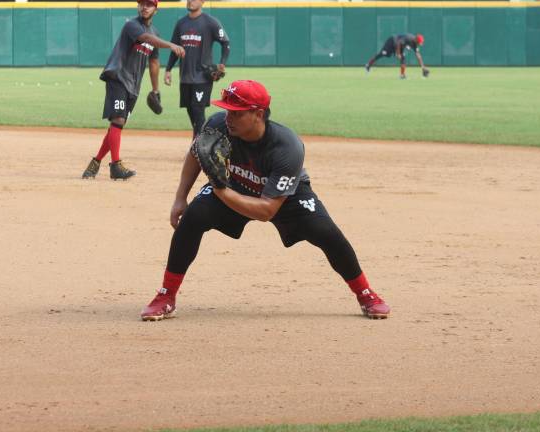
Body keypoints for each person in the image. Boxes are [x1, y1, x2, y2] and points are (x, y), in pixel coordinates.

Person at [140, 79, 391, 322]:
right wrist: (180, 198)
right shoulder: (218, 125)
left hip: (285, 196)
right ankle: (166, 295)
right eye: (227, 110)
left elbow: (267, 210)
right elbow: (197, 153)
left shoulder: (287, 146)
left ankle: (365, 293)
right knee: (194, 217)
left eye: (237, 113)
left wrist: (220, 189)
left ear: (258, 114)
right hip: (235, 186)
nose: (228, 118)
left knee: (325, 231)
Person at [82, 0, 185, 180]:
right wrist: (171, 45)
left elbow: (154, 63)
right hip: (118, 77)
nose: (145, 7)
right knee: (118, 120)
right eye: (142, 3)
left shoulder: (155, 33)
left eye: (149, 4)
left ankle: (96, 162)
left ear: (155, 9)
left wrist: (155, 89)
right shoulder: (132, 25)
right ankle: (115, 166)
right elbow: (146, 39)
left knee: (117, 125)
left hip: (133, 86)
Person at [164, 0, 230, 137]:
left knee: (198, 111)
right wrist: (168, 69)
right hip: (185, 76)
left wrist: (222, 63)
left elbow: (226, 43)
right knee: (191, 111)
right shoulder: (181, 23)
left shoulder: (210, 22)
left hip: (203, 76)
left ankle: (199, 145)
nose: (190, 0)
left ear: (202, 1)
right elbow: (175, 48)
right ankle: (204, 140)